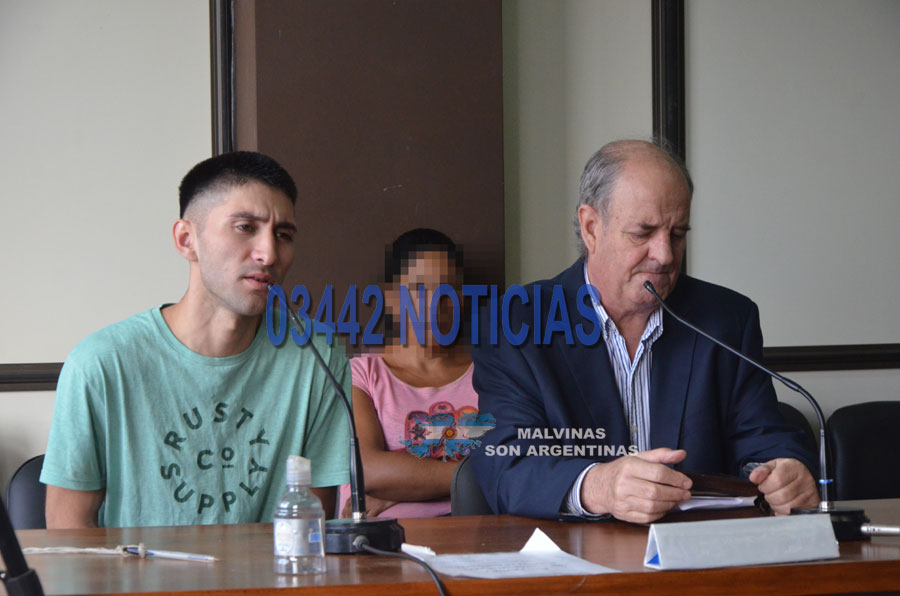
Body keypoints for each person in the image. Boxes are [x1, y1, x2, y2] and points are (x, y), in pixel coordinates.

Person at [468, 139, 818, 522]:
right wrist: (600, 486)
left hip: (697, 547)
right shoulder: (516, 322)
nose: (665, 255)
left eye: (678, 234)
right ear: (591, 228)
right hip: (572, 551)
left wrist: (785, 470)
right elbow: (506, 461)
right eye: (642, 232)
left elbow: (762, 437)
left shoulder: (727, 319)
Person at [40, 151, 350, 528]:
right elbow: (68, 529)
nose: (269, 254)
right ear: (187, 239)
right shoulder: (101, 363)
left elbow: (312, 525)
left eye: (283, 235)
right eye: (245, 227)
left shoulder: (318, 356)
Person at [339, 229, 479, 518]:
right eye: (420, 288)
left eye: (448, 290)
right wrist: (473, 476)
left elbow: (511, 467)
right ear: (391, 298)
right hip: (388, 541)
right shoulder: (362, 375)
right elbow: (365, 469)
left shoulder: (490, 373)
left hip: (478, 536)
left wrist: (398, 487)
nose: (435, 304)